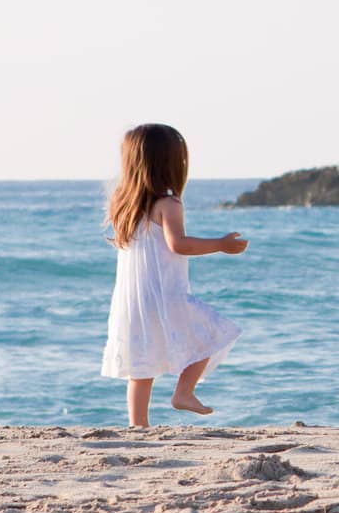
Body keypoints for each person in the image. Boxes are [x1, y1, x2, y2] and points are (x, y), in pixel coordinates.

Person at [101, 123, 247, 427]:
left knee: (141, 364)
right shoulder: (169, 203)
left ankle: (137, 424)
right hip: (165, 293)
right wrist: (220, 245)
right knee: (212, 333)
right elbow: (178, 244)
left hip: (133, 299)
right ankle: (183, 392)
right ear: (170, 163)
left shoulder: (124, 204)